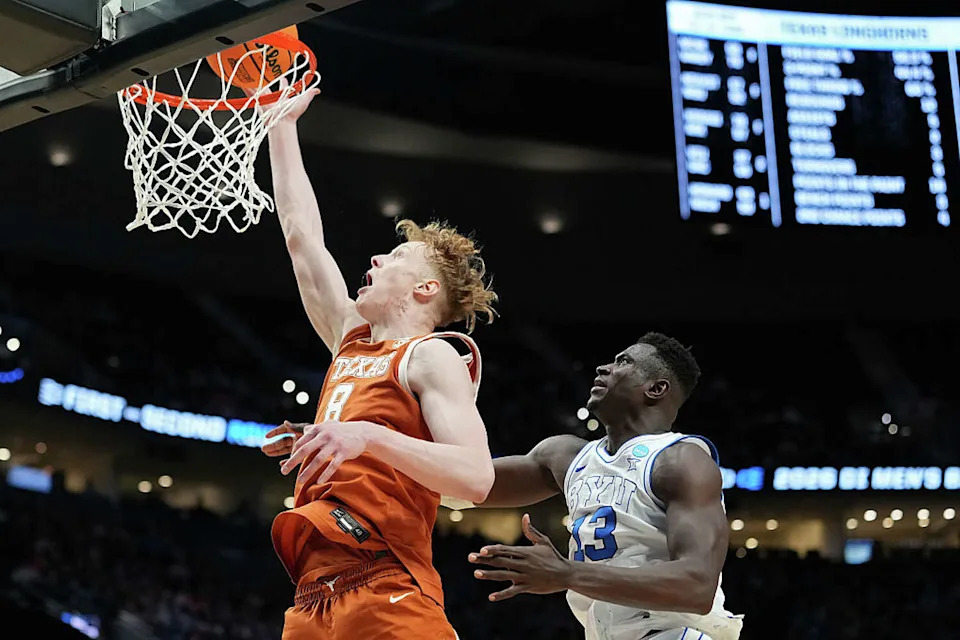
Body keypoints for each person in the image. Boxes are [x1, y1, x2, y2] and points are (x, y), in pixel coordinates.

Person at [259, 88, 498, 640]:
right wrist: (281, 126)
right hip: (312, 597)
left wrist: (364, 435)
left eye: (393, 257)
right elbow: (301, 238)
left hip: (386, 583)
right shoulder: (352, 341)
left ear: (425, 288)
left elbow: (475, 475)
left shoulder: (431, 355)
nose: (374, 258)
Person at [466, 332, 743, 640]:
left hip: (676, 632)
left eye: (623, 362)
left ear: (656, 388)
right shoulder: (566, 456)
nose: (602, 368)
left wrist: (566, 573)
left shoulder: (681, 460)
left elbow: (697, 586)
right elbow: (466, 482)